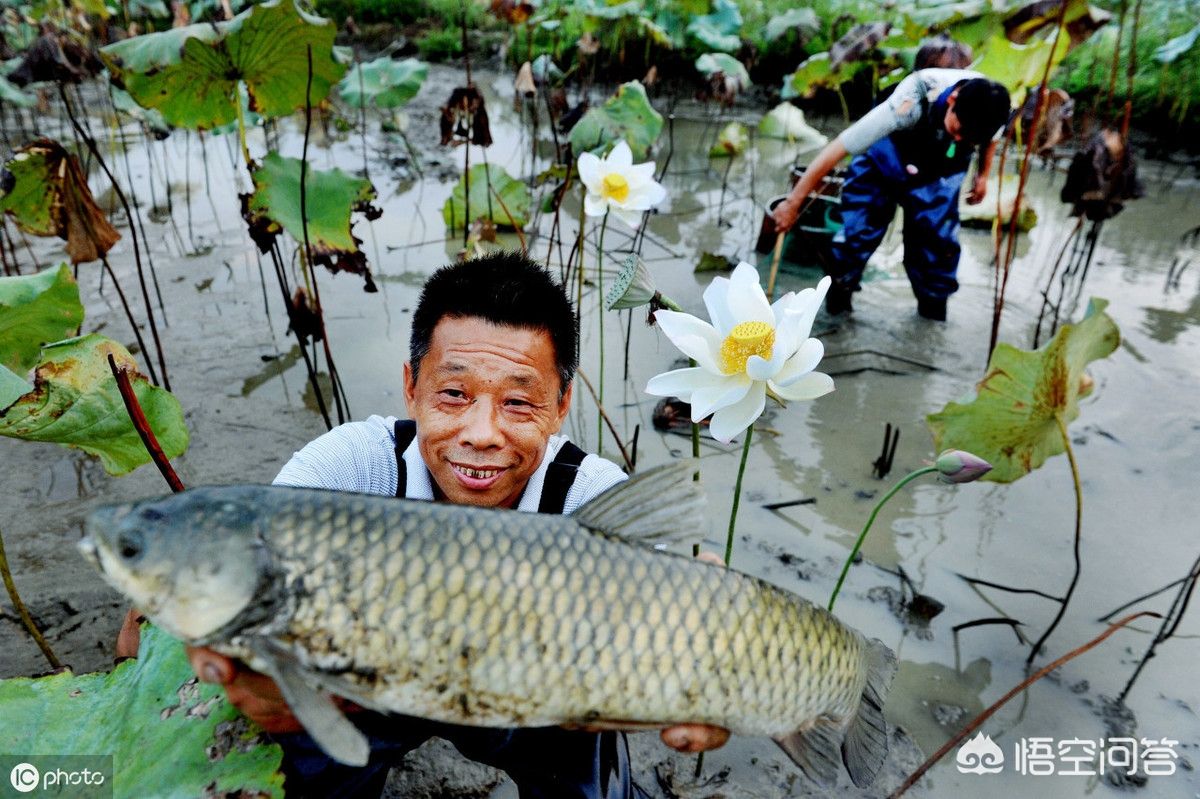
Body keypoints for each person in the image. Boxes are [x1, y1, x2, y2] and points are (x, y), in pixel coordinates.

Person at [166, 251, 728, 798]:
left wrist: (722, 640)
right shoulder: (349, 467)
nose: (482, 433)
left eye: (518, 403)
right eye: (454, 393)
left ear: (561, 405)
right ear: (412, 387)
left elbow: (677, 611)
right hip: (366, 689)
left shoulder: (591, 494)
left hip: (532, 691)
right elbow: (235, 570)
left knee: (588, 758)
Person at [772, 68, 1012, 321]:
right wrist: (793, 202)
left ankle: (931, 321)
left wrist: (983, 176)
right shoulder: (910, 100)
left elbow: (991, 139)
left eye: (970, 139)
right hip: (888, 153)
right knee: (856, 236)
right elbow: (839, 147)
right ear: (952, 100)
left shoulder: (994, 109)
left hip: (940, 166)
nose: (961, 137)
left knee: (937, 250)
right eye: (959, 129)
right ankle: (836, 310)